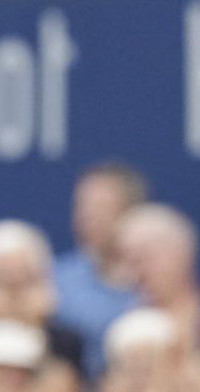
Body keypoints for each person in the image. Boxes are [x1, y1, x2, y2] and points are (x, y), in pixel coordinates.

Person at [0, 220, 84, 387]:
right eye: (4, 282)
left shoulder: (66, 342)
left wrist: (37, 325)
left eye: (23, 283)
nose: (14, 297)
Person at [54, 162, 144, 378]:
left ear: (132, 212)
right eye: (82, 207)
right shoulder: (56, 280)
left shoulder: (157, 282)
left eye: (101, 208)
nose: (88, 217)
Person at [115, 203, 200, 375]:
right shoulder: (124, 330)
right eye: (127, 263)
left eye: (141, 260)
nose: (133, 275)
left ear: (179, 257)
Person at [102, 308, 200, 392]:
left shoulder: (195, 379)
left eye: (149, 357)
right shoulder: (115, 386)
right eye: (133, 361)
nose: (142, 366)